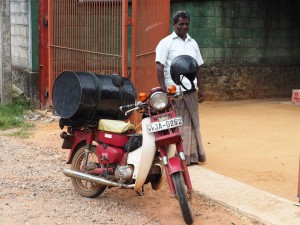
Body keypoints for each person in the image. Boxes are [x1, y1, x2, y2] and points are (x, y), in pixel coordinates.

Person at [155, 10, 206, 165]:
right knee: (180, 123)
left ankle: (193, 156)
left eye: (186, 24)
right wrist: (164, 90)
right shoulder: (166, 43)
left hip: (191, 90)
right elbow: (159, 67)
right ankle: (180, 156)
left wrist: (202, 88)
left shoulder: (193, 43)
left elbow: (197, 67)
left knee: (193, 122)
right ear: (174, 25)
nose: (184, 27)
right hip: (174, 91)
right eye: (181, 24)